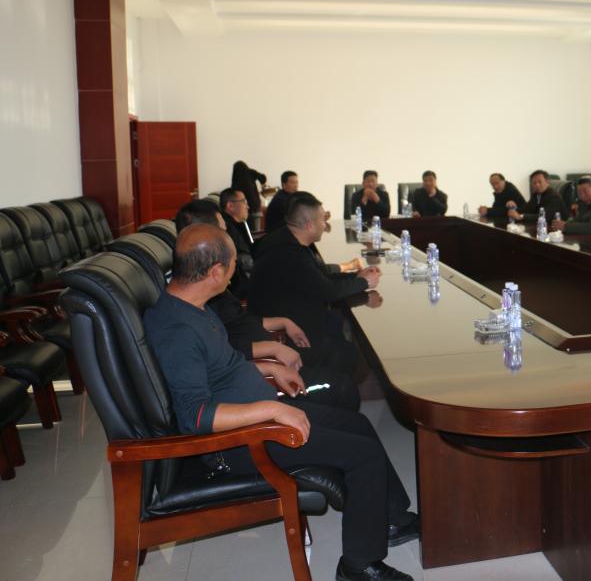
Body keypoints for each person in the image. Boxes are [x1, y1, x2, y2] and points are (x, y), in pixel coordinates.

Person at [144, 224, 417, 581]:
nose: (234, 274)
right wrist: (274, 409)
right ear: (215, 272)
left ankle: (392, 519)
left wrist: (268, 368)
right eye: (232, 266)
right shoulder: (177, 331)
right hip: (241, 442)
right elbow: (196, 417)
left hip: (256, 418)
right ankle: (358, 565)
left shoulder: (193, 307)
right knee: (362, 454)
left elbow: (220, 366)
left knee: (358, 424)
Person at [176, 199, 363, 411]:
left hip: (263, 353)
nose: (228, 236)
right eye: (223, 231)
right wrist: (271, 352)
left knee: (336, 338)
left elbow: (233, 329)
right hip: (259, 377)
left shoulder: (204, 293)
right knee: (343, 384)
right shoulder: (187, 313)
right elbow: (202, 404)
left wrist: (282, 323)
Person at [248, 192, 381, 371]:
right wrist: (364, 283)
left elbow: (320, 275)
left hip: (291, 314)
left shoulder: (288, 240)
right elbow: (328, 291)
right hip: (285, 332)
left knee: (337, 323)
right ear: (310, 225)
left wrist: (357, 276)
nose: (325, 225)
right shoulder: (288, 253)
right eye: (322, 220)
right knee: (348, 353)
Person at [218, 187, 255, 297]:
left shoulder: (239, 223)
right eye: (244, 202)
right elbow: (242, 260)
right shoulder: (226, 229)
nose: (247, 206)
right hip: (239, 285)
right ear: (230, 206)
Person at [231, 160, 266, 232]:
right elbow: (263, 178)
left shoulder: (236, 179)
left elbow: (234, 193)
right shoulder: (250, 172)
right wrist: (262, 184)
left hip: (243, 210)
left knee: (247, 231)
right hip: (255, 207)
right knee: (256, 232)